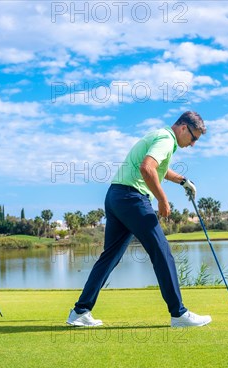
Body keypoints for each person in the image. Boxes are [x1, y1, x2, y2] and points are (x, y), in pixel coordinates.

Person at [66, 111, 212, 328]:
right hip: (132, 198)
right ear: (183, 128)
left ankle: (80, 312)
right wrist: (163, 200)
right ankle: (178, 313)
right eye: (193, 138)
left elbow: (159, 169)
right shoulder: (166, 139)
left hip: (116, 196)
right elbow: (147, 168)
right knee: (161, 251)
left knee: (110, 256)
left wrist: (183, 181)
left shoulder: (158, 135)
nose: (192, 145)